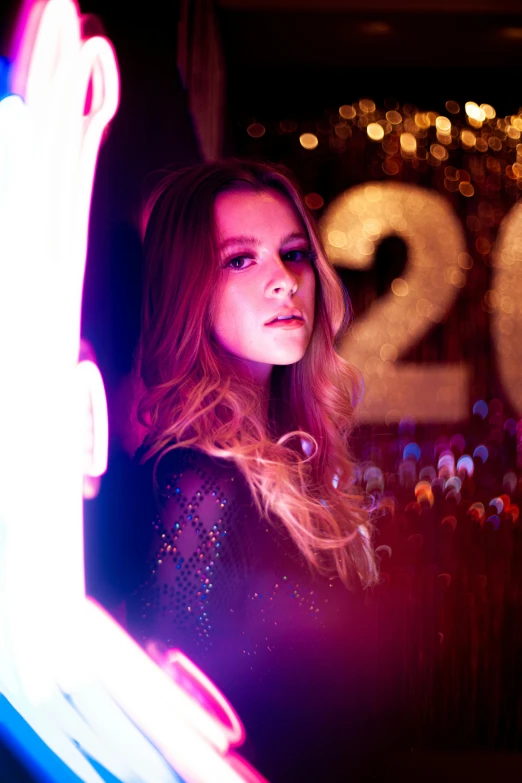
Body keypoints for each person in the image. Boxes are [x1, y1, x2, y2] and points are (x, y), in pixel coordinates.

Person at [126, 160, 393, 781]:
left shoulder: (294, 460)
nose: (285, 282)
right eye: (240, 259)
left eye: (294, 254)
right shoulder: (198, 481)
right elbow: (176, 721)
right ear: (186, 287)